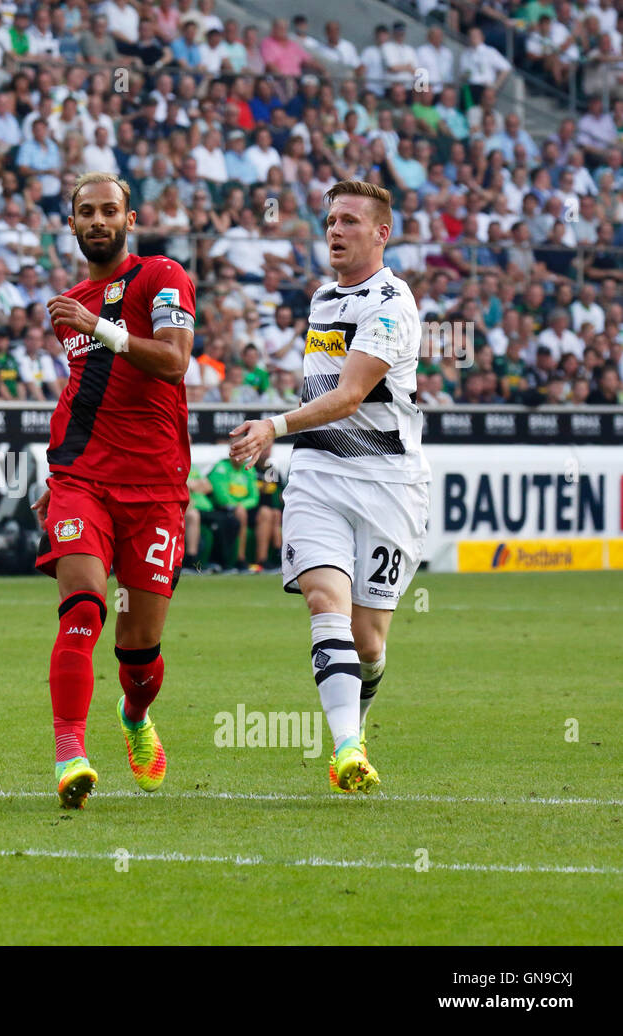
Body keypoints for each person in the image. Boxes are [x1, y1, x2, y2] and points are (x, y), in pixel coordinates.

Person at [230, 180, 430, 794]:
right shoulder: (321, 297)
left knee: (369, 644)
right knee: (325, 602)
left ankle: (356, 723)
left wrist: (274, 425)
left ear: (380, 232)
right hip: (318, 475)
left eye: (348, 220)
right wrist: (289, 435)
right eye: (330, 219)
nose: (334, 230)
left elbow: (349, 396)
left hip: (388, 484)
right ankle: (346, 750)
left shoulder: (393, 304)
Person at [32, 171, 196, 809]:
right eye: (85, 213)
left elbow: (174, 359)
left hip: (155, 487)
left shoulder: (162, 277)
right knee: (83, 607)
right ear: (70, 225)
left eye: (109, 211)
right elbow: (83, 391)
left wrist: (98, 327)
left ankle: (132, 716)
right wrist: (58, 476)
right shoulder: (70, 301)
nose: (97, 221)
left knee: (139, 648)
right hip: (83, 481)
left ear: (131, 220)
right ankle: (69, 754)